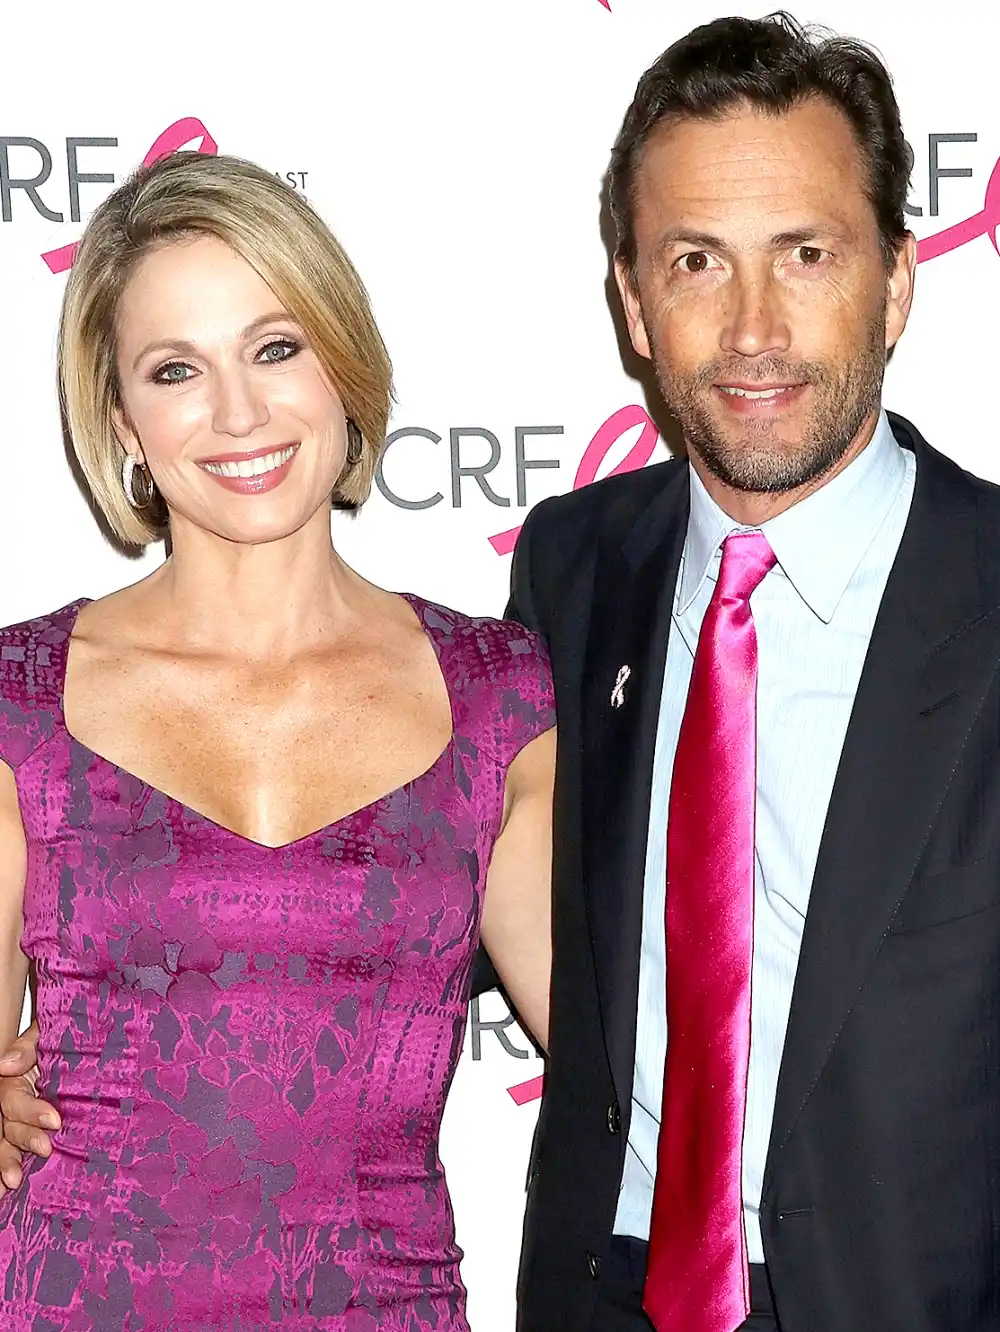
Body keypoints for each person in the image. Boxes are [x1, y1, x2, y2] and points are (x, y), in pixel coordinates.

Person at [485, 11, 999, 1332]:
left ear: (895, 284)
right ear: (634, 304)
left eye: (808, 254)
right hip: (604, 1291)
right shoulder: (572, 565)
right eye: (697, 261)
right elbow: (448, 887)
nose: (756, 327)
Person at [0, 150, 555, 1329]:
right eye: (174, 370)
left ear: (343, 362)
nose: (238, 414)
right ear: (121, 422)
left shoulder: (497, 699)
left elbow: (635, 1062)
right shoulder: (19, 705)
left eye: (275, 347)